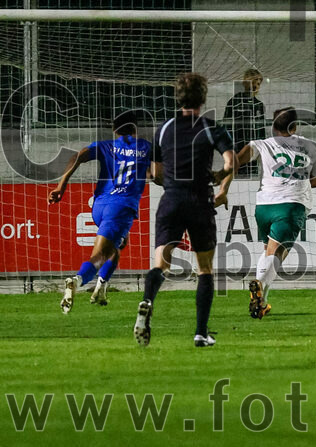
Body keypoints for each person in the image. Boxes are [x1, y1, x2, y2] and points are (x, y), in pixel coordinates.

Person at [135, 72, 235, 348]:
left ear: (177, 97)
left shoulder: (164, 129)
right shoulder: (211, 128)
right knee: (204, 269)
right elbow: (230, 161)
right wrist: (217, 179)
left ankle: (147, 300)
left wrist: (174, 183)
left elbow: (155, 173)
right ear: (203, 98)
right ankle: (201, 333)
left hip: (172, 199)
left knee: (161, 262)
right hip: (199, 200)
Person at [50, 111, 152, 312]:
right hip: (121, 206)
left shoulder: (105, 145)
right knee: (99, 256)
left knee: (117, 246)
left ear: (114, 130)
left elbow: (76, 157)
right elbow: (157, 174)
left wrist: (61, 185)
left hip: (99, 206)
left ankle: (101, 287)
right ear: (135, 128)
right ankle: (77, 281)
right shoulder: (146, 147)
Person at [236, 107, 316, 319]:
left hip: (263, 206)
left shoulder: (261, 144)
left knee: (269, 252)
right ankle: (259, 284)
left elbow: (236, 162)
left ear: (273, 126)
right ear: (295, 127)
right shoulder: (309, 147)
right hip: (291, 206)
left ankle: (261, 304)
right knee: (277, 255)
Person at [223, 68, 265, 177]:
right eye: (252, 82)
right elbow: (225, 127)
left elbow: (261, 130)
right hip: (237, 150)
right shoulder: (234, 102)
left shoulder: (259, 105)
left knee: (252, 178)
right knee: (236, 178)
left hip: (253, 151)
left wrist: (262, 149)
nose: (255, 86)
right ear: (245, 83)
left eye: (258, 83)